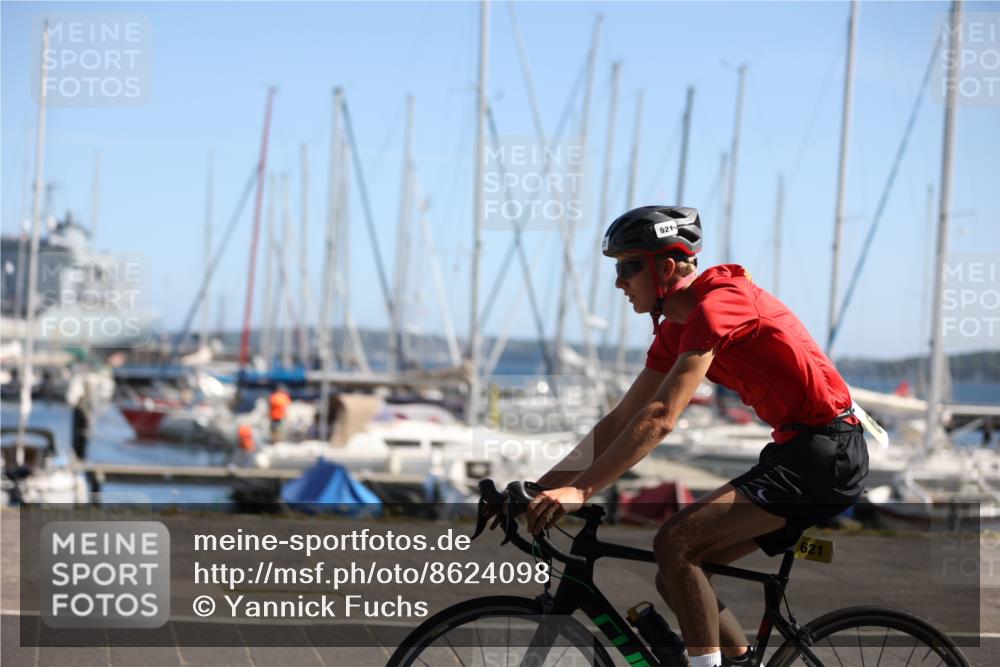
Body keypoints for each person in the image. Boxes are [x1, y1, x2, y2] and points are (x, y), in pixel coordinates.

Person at [520, 206, 869, 667]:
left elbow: (662, 416)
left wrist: (582, 488)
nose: (619, 282)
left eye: (628, 267)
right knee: (676, 574)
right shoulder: (674, 331)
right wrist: (540, 488)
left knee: (674, 543)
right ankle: (741, 662)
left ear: (665, 268)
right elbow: (623, 417)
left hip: (827, 451)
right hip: (798, 449)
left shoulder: (719, 302)